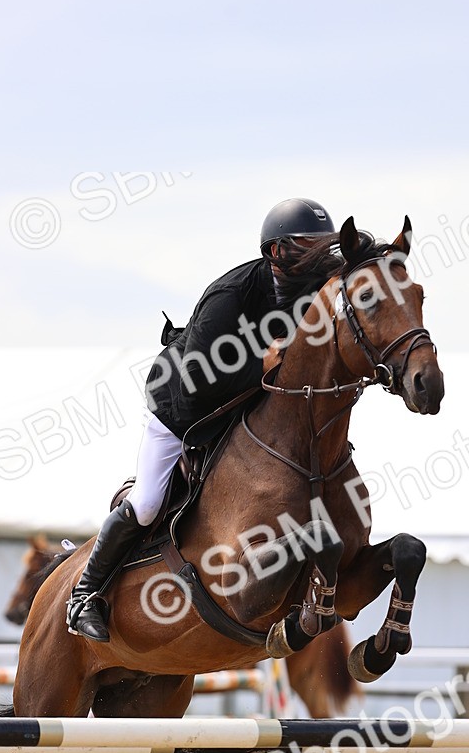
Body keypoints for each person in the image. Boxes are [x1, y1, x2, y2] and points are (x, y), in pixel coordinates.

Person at [66, 197, 338, 641]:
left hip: (243, 409)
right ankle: (84, 595)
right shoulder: (229, 294)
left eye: (321, 246)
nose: (317, 257)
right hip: (182, 411)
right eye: (306, 247)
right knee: (150, 501)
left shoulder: (311, 285)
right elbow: (196, 378)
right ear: (276, 252)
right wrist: (261, 364)